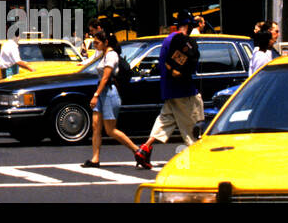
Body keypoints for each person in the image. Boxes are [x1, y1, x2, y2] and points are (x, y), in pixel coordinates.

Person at [134, 15, 204, 168]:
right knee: (192, 127)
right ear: (188, 25)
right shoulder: (181, 40)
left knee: (165, 121)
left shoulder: (168, 40)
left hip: (169, 90)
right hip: (184, 91)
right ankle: (198, 160)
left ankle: (144, 148)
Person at [84, 28, 141, 168]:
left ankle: (138, 150)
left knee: (110, 130)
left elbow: (105, 77)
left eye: (97, 43)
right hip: (102, 92)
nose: (95, 45)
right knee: (96, 126)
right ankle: (95, 159)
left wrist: (95, 95)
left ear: (106, 42)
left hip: (109, 93)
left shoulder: (112, 55)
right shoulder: (104, 55)